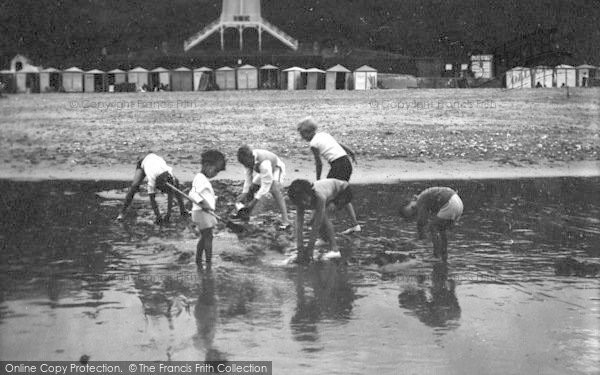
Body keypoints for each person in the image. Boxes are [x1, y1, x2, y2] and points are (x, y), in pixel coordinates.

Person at [297, 117, 360, 235]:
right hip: (346, 163)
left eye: (302, 134)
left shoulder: (313, 143)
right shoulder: (324, 134)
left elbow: (319, 163)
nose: (302, 137)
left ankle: (320, 230)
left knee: (327, 197)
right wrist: (350, 151)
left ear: (308, 132)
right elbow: (338, 144)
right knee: (341, 192)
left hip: (338, 166)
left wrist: (318, 181)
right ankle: (355, 225)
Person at [287, 178, 353, 263]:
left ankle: (335, 250)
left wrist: (310, 249)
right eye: (301, 202)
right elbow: (299, 224)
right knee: (313, 219)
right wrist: (300, 248)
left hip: (343, 192)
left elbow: (316, 225)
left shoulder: (319, 196)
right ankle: (324, 239)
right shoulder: (298, 201)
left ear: (310, 194)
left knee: (323, 217)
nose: (305, 204)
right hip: (330, 193)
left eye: (306, 200)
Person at [116, 153, 188, 224]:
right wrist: (158, 216)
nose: (162, 192)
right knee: (135, 186)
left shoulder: (170, 176)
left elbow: (170, 195)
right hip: (144, 161)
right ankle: (122, 212)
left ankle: (183, 210)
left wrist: (168, 215)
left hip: (156, 160)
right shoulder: (152, 180)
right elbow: (152, 200)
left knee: (176, 184)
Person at [399, 187, 463, 261]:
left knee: (433, 227)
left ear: (413, 199)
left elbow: (422, 221)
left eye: (412, 208)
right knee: (441, 230)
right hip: (457, 201)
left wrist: (421, 235)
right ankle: (444, 254)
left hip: (450, 202)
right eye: (413, 214)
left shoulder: (420, 200)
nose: (414, 210)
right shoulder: (426, 198)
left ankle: (436, 255)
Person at [236, 145, 291, 230]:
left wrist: (254, 201)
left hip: (276, 168)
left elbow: (266, 185)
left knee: (274, 189)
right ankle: (246, 214)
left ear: (252, 157)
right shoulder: (246, 160)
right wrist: (244, 193)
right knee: (252, 188)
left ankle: (285, 220)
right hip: (263, 170)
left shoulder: (264, 163)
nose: (247, 165)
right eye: (244, 164)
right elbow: (248, 178)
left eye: (247, 163)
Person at [189, 150, 226, 267]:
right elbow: (193, 194)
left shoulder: (202, 178)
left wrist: (212, 200)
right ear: (207, 166)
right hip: (201, 212)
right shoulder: (200, 178)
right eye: (215, 170)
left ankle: (198, 260)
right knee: (209, 237)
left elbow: (203, 194)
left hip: (203, 212)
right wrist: (204, 204)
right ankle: (208, 262)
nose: (215, 174)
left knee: (204, 237)